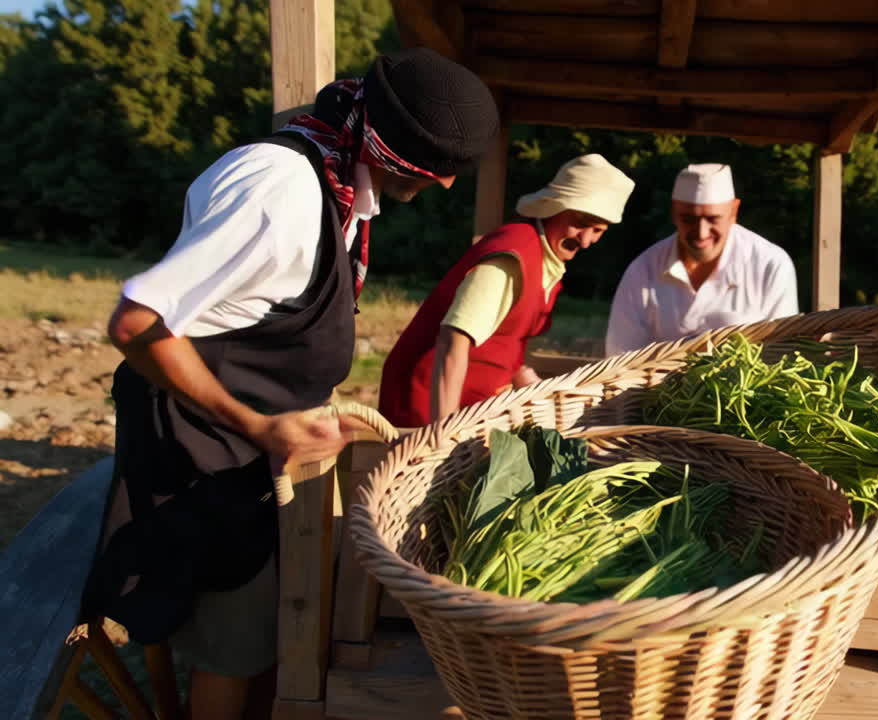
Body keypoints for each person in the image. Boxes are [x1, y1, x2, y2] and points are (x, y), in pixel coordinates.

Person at [87, 48, 499, 720]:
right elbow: (137, 324)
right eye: (436, 169)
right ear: (392, 151)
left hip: (256, 450)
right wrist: (257, 424)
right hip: (206, 451)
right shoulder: (279, 194)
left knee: (268, 629)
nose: (448, 186)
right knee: (233, 644)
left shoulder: (337, 181)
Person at [378, 154, 635, 426]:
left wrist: (539, 390)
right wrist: (444, 431)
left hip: (474, 412)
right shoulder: (512, 255)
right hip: (426, 410)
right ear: (554, 207)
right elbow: (452, 342)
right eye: (580, 223)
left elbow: (504, 342)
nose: (585, 241)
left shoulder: (547, 262)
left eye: (598, 230)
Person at [604, 163, 798, 356]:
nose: (701, 233)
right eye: (688, 219)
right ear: (674, 213)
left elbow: (783, 352)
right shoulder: (644, 269)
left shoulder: (770, 265)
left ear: (734, 211)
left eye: (713, 219)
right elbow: (620, 356)